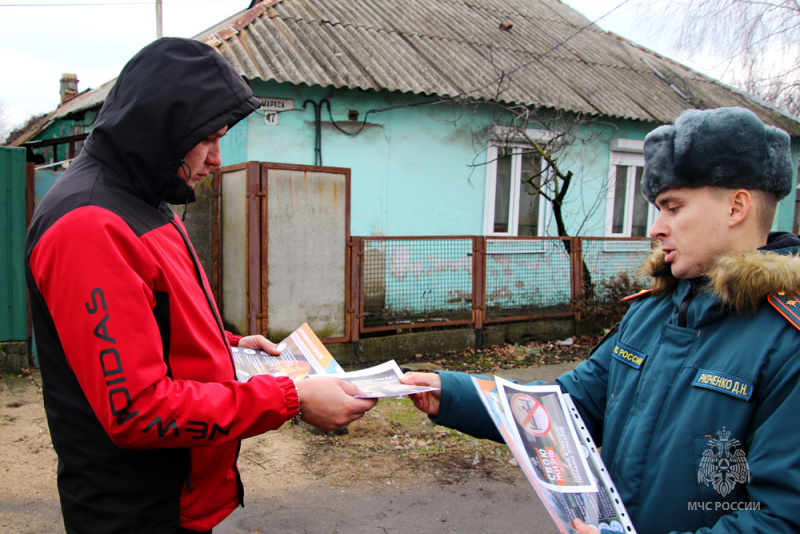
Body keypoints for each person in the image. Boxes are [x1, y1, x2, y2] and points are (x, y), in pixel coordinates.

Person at [25, 37, 377, 534]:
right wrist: (290, 399)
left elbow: (153, 325)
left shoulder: (143, 197)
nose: (215, 158)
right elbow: (137, 410)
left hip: (178, 500)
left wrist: (228, 347)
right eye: (208, 138)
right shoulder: (90, 223)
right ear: (163, 129)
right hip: (138, 512)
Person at [403, 107, 800, 533]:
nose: (657, 228)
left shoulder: (786, 341)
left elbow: (781, 519)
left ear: (736, 206)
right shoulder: (654, 311)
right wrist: (452, 392)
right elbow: (571, 407)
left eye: (673, 207)